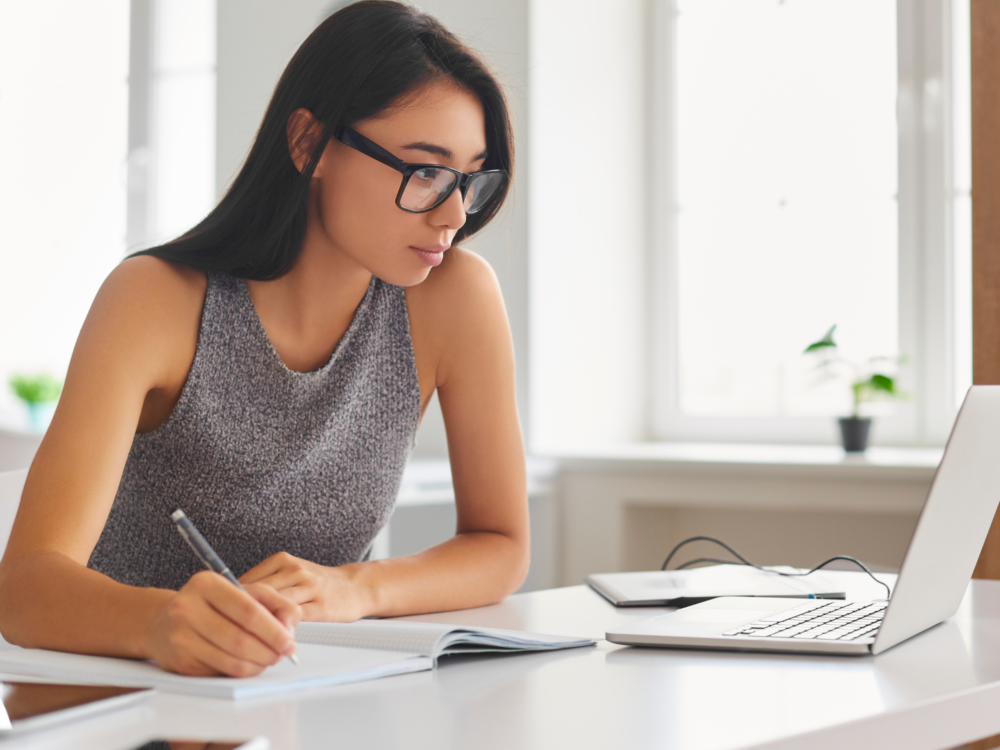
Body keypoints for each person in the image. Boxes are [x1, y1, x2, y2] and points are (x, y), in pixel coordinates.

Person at [0, 0, 528, 678]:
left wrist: (355, 588)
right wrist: (162, 622)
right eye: (424, 172)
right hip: (118, 695)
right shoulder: (155, 299)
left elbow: (501, 544)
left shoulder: (454, 297)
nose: (454, 214)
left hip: (304, 693)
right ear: (309, 143)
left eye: (468, 179)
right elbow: (24, 587)